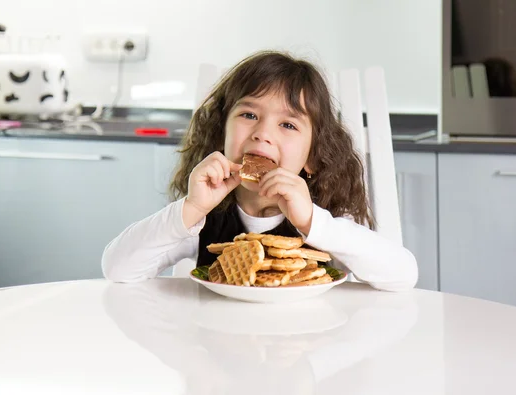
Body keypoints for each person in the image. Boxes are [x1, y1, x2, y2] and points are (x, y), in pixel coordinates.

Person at [101, 50, 418, 291]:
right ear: (220, 134)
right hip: (216, 355)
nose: (263, 133)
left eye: (288, 124)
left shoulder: (323, 218)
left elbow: (403, 275)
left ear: (313, 157)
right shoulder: (203, 220)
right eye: (249, 115)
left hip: (305, 352)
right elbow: (118, 268)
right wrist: (192, 208)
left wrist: (311, 222)